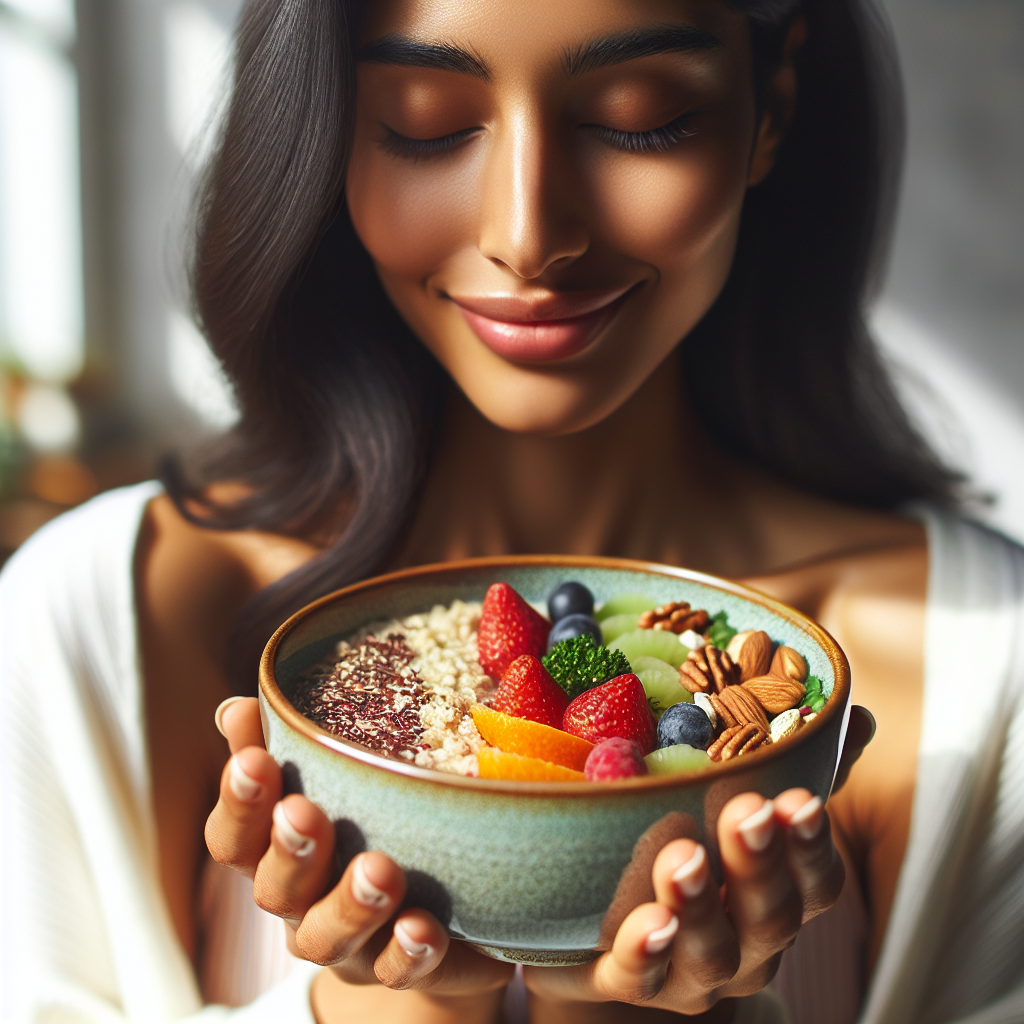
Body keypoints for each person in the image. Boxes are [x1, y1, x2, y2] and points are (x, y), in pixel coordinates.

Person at [2, 0, 1022, 1022]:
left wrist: (624, 1000)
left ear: (770, 107)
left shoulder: (987, 666)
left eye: (639, 114)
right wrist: (396, 1005)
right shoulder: (99, 613)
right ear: (328, 132)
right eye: (424, 121)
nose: (527, 236)